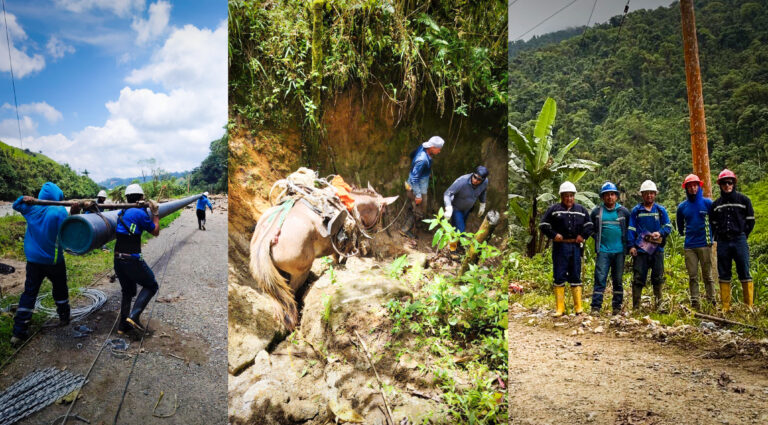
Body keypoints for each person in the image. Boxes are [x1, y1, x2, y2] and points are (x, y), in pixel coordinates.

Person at [10, 182, 71, 346]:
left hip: (33, 261)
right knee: (60, 288)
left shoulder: (31, 208)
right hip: (54, 261)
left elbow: (16, 205)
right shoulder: (59, 211)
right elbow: (70, 229)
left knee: (29, 293)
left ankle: (19, 332)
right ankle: (64, 317)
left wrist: (24, 198)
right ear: (58, 197)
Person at [539, 181, 593, 316]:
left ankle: (578, 308)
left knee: (575, 274)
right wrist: (553, 235)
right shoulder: (554, 209)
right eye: (566, 196)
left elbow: (590, 225)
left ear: (574, 196)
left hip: (575, 246)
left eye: (571, 196)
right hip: (560, 247)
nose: (569, 198)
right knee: (559, 274)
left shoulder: (581, 210)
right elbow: (543, 225)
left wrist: (583, 235)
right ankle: (560, 308)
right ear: (561, 196)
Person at [114, 184, 160, 336]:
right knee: (151, 285)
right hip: (131, 260)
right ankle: (134, 316)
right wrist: (155, 213)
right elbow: (155, 231)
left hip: (118, 259)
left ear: (127, 198)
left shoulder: (122, 212)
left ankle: (123, 326)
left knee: (127, 291)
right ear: (141, 197)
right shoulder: (140, 214)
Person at [711, 169, 755, 312]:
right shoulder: (716, 204)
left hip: (739, 239)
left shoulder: (744, 200)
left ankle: (749, 307)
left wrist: (743, 234)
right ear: (720, 185)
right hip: (723, 241)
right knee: (724, 272)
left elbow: (750, 221)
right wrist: (719, 235)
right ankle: (725, 307)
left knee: (744, 270)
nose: (727, 185)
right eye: (724, 183)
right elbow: (713, 223)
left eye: (729, 182)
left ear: (734, 183)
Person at [628, 180, 673, 311]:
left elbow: (668, 226)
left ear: (655, 194)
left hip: (657, 250)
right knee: (638, 277)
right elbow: (631, 229)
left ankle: (660, 305)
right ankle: (636, 307)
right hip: (641, 251)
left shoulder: (660, 210)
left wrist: (660, 233)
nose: (649, 196)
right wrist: (631, 246)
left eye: (651, 193)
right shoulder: (636, 211)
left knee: (658, 277)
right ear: (642, 195)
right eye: (646, 193)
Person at [589, 182, 630, 316]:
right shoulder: (597, 211)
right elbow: (590, 228)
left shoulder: (623, 212)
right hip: (603, 251)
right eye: (607, 195)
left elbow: (630, 229)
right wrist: (597, 240)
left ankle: (617, 307)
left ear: (616, 197)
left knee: (617, 280)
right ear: (602, 197)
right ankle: (596, 307)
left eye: (612, 194)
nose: (610, 197)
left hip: (619, 251)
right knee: (600, 278)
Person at [676, 174, 715, 309]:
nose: (692, 188)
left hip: (705, 244)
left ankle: (712, 302)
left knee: (708, 276)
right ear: (686, 188)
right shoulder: (682, 207)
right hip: (689, 246)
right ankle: (695, 303)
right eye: (690, 186)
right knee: (693, 276)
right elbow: (679, 224)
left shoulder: (707, 203)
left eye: (695, 185)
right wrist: (684, 234)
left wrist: (712, 236)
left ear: (699, 186)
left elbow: (715, 222)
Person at [400, 136, 444, 239]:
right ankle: (406, 230)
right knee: (420, 210)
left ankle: (412, 217)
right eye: (439, 148)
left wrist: (423, 172)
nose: (440, 151)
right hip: (417, 189)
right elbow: (415, 178)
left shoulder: (422, 148)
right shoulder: (423, 160)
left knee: (415, 207)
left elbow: (412, 155)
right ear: (432, 147)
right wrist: (418, 195)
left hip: (415, 186)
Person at [443, 166, 489, 250]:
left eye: (479, 180)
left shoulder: (485, 182)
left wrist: (483, 204)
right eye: (475, 177)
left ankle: (457, 245)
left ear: (482, 180)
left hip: (467, 209)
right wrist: (448, 207)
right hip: (456, 208)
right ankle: (452, 250)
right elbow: (447, 193)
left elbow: (483, 192)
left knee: (458, 228)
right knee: (460, 230)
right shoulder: (462, 181)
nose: (475, 180)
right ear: (473, 174)